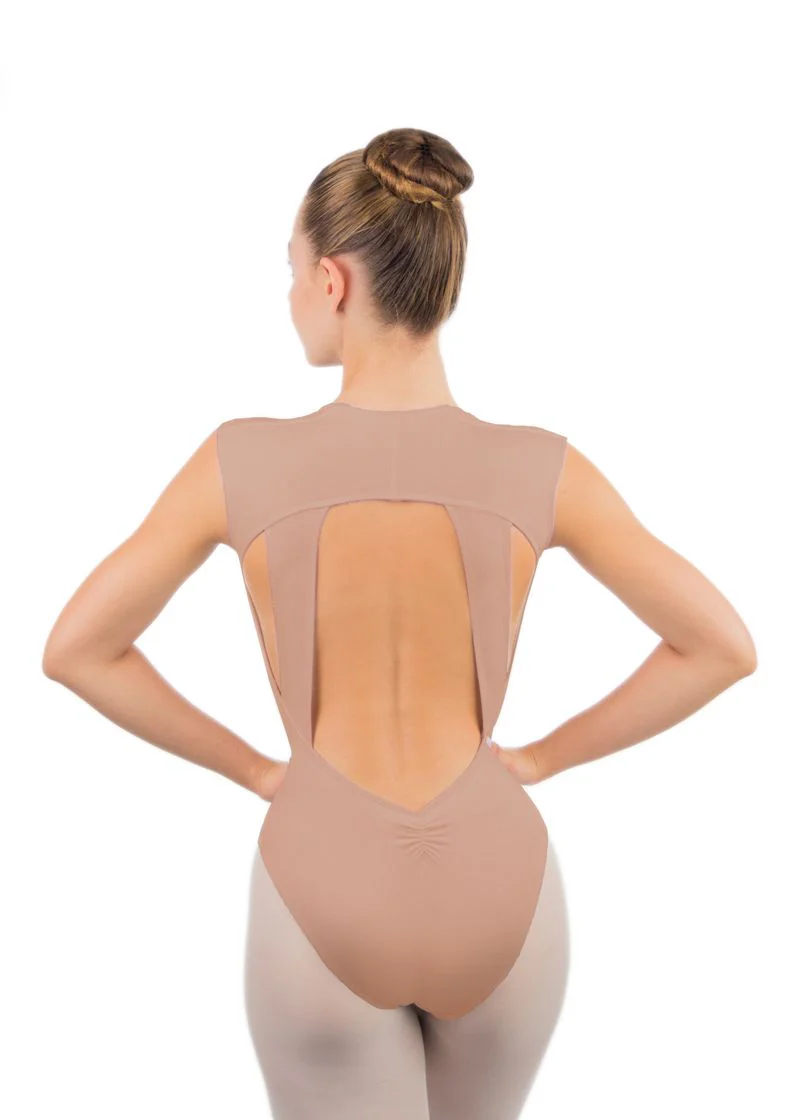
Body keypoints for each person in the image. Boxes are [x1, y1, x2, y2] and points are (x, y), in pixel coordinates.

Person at [42, 127, 757, 1120]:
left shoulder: (238, 462)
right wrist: (539, 759)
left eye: (290, 270)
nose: (290, 294)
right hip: (500, 882)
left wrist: (255, 770)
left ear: (332, 281)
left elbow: (78, 649)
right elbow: (720, 646)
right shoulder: (541, 465)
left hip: (325, 871)